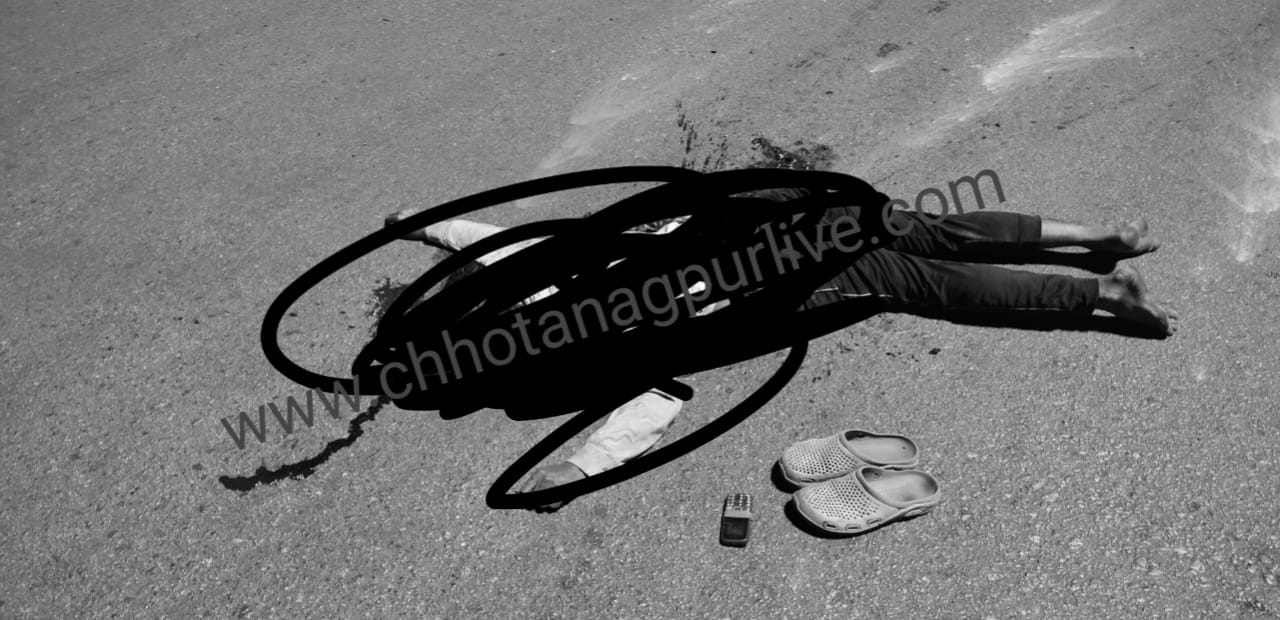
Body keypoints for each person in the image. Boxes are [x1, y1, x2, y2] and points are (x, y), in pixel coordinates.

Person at [383, 184, 1175, 511]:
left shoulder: (548, 305)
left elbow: (497, 244)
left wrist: (424, 226)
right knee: (922, 247)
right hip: (773, 259)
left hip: (766, 249)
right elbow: (652, 398)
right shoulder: (564, 324)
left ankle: (1101, 276)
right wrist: (579, 470)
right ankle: (1101, 258)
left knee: (920, 259)